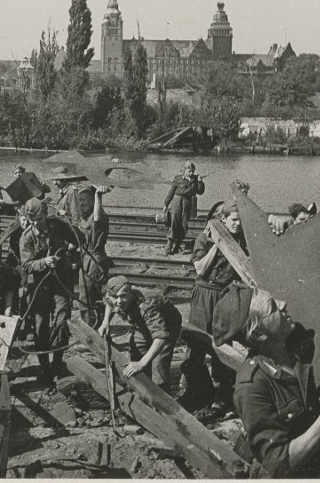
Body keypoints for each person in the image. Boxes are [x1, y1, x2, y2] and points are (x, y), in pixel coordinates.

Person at [234, 289, 320, 478]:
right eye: (273, 307)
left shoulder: (298, 353)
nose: (283, 304)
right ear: (259, 334)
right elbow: (279, 464)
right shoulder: (251, 387)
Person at [181, 200, 247, 410]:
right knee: (197, 341)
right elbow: (200, 270)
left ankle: (223, 396)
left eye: (240, 221)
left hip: (226, 295)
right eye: (234, 220)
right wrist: (218, 244)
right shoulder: (205, 238)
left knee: (223, 342)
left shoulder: (242, 242)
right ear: (223, 220)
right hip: (204, 294)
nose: (238, 224)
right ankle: (194, 390)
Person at [19, 197, 79, 385]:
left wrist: (70, 221)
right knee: (40, 326)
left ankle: (57, 363)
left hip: (61, 282)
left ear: (46, 214)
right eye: (32, 220)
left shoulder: (58, 225)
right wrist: (43, 262)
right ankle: (45, 367)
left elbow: (79, 239)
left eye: (39, 219)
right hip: (40, 287)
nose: (36, 223)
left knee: (62, 322)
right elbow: (26, 265)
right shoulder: (27, 237)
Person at [98, 276, 182, 392]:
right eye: (115, 297)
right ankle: (141, 396)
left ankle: (161, 405)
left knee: (158, 366)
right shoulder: (113, 297)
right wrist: (105, 322)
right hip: (143, 326)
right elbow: (109, 301)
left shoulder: (145, 305)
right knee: (135, 352)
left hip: (167, 327)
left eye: (122, 296)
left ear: (130, 294)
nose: (118, 301)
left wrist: (142, 363)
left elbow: (161, 336)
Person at [77, 185, 112, 326]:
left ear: (93, 201)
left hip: (94, 260)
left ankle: (90, 331)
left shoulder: (99, 215)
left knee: (88, 298)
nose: (81, 203)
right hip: (86, 259)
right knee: (88, 297)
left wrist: (99, 195)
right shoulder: (84, 218)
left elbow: (97, 218)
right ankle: (96, 329)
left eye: (84, 200)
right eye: (79, 200)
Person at [162, 161, 205, 255]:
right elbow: (171, 192)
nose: (191, 173)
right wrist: (166, 204)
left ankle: (177, 247)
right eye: (189, 171)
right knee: (174, 223)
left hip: (188, 202)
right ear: (184, 170)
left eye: (193, 171)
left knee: (184, 225)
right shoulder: (177, 179)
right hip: (177, 201)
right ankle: (168, 247)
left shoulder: (195, 179)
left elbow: (200, 192)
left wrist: (200, 182)